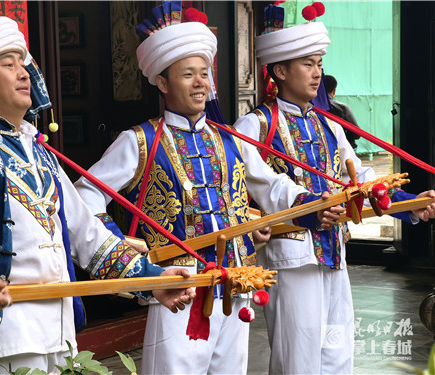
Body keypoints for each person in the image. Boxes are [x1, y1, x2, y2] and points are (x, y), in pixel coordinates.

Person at [74, 6, 344, 375]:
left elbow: (270, 183)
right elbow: (84, 195)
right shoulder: (138, 141)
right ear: (163, 83)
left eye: (205, 73)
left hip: (235, 286)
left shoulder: (228, 137)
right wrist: (117, 240)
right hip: (179, 291)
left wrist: (307, 204)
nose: (201, 82)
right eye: (188, 74)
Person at [0, 5, 195, 374]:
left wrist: (153, 280)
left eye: (22, 63)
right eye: (7, 64)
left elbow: (91, 239)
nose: (23, 73)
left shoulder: (40, 153)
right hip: (0, 338)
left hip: (60, 334)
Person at [234, 16, 435, 375]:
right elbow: (264, 183)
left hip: (334, 253)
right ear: (279, 70)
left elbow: (360, 175)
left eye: (319, 64)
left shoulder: (328, 125)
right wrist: (306, 205)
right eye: (307, 64)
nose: (317, 73)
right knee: (299, 359)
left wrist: (411, 203)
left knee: (337, 355)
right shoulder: (255, 126)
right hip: (292, 257)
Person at [325, 74, 361, 149]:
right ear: (334, 91)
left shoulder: (310, 108)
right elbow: (356, 134)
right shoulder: (342, 108)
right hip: (342, 151)